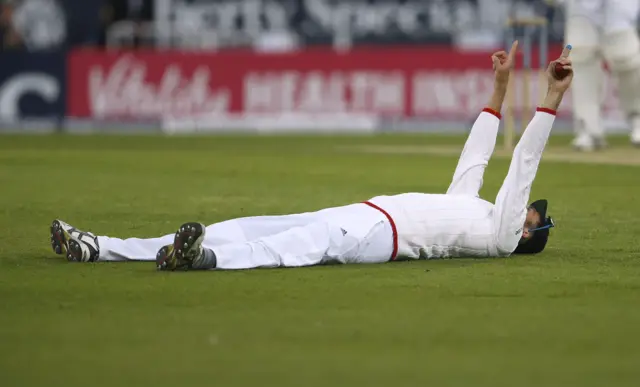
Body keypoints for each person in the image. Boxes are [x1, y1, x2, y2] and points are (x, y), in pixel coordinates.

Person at [49, 41, 571, 272]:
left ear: (528, 233)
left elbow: (520, 169)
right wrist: (499, 87)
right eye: (534, 212)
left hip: (378, 238)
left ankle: (202, 261)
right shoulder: (473, 210)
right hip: (362, 214)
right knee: (243, 226)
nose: (530, 211)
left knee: (289, 248)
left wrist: (551, 99)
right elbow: (475, 159)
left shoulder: (501, 238)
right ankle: (102, 248)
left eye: (533, 216)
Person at [559, 0, 640, 150]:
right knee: (581, 59)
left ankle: (638, 120)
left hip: (619, 7)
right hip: (580, 9)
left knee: (627, 58)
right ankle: (589, 128)